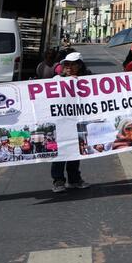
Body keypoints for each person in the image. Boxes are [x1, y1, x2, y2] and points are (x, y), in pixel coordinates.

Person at [51, 53, 91, 193]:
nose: (68, 67)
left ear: (79, 65)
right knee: (61, 151)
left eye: (72, 64)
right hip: (61, 123)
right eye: (66, 64)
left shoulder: (88, 80)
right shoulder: (56, 79)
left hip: (78, 122)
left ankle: (74, 179)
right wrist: (68, 82)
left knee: (76, 151)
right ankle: (58, 181)